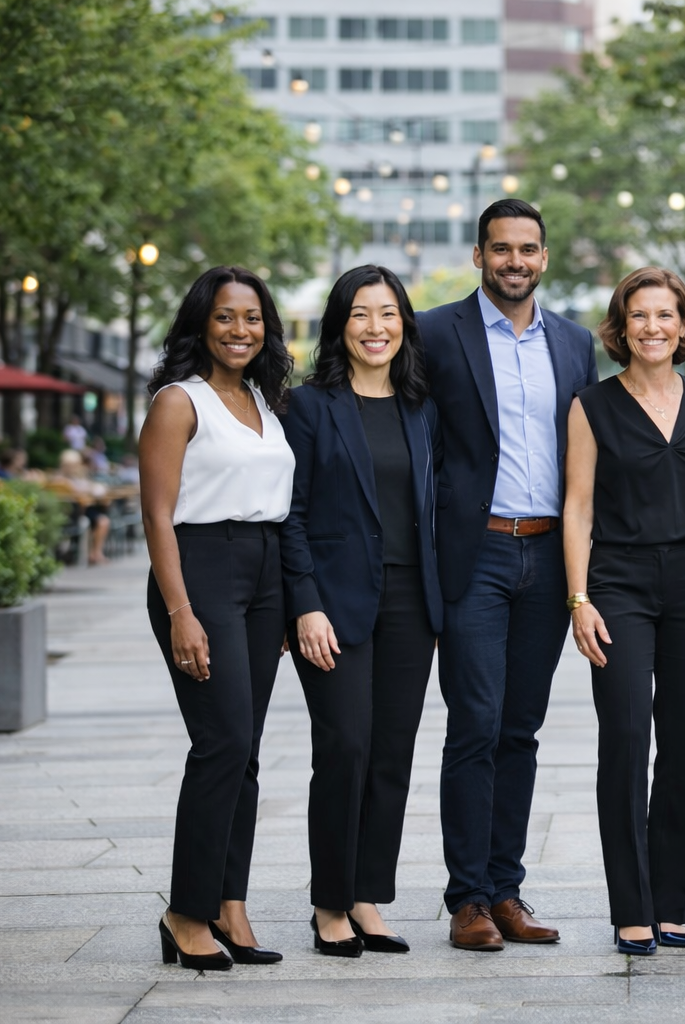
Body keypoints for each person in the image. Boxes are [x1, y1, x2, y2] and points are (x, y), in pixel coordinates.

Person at [418, 198, 598, 952]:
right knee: (476, 722)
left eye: (527, 249)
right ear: (479, 256)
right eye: (501, 249)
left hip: (548, 554)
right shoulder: (433, 333)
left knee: (520, 728)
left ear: (544, 258)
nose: (514, 261)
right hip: (477, 552)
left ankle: (507, 889)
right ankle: (467, 899)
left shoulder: (575, 343)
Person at [563, 267, 685, 956]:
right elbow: (576, 506)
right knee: (628, 740)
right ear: (621, 327)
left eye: (666, 315)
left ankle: (672, 905)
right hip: (619, 582)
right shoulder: (591, 407)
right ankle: (630, 906)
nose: (653, 327)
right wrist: (579, 599)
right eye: (640, 316)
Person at [280, 266, 443, 957]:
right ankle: (329, 903)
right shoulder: (309, 406)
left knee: (391, 753)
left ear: (405, 322)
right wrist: (304, 606)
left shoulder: (423, 405)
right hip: (335, 603)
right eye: (359, 315)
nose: (375, 328)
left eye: (387, 314)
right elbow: (289, 513)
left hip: (413, 600)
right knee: (344, 745)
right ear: (338, 326)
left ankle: (369, 896)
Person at [140, 266, 295, 970]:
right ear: (202, 322)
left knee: (248, 749)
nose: (241, 330)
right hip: (201, 568)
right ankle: (185, 911)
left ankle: (230, 904)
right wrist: (181, 611)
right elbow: (157, 516)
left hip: (264, 572)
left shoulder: (265, 398)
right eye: (227, 317)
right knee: (222, 742)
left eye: (253, 317)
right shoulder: (180, 402)